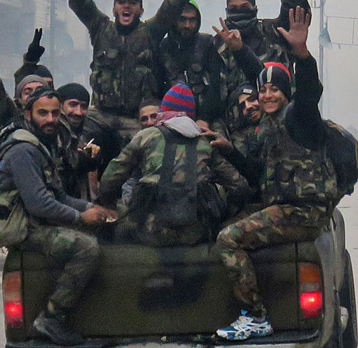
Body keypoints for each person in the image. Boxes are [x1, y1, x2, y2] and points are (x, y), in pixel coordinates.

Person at [209, 0, 337, 341]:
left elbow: (308, 91)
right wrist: (228, 150)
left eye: (274, 92)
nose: (265, 96)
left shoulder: (299, 118)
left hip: (302, 210)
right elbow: (255, 171)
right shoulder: (267, 125)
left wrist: (301, 52)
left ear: (287, 94)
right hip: (281, 204)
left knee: (228, 240)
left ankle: (255, 315)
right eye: (262, 92)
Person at [39, 0, 212, 157]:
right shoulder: (101, 28)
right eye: (122, 2)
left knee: (154, 151)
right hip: (101, 115)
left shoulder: (150, 32)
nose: (127, 6)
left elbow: (173, 4)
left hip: (137, 117)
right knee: (68, 138)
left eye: (132, 3)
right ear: (114, 8)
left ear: (140, 10)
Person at [0, 90, 116, 345]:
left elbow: (58, 195)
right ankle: (52, 315)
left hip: (38, 221)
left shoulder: (42, 145)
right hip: (25, 228)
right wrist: (81, 218)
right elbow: (40, 204)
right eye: (43, 113)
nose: (50, 119)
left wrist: (93, 209)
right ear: (28, 114)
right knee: (86, 248)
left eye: (55, 114)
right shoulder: (23, 149)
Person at [96, 83, 248, 247]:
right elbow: (239, 186)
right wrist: (225, 216)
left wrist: (111, 206)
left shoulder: (146, 136)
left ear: (164, 112)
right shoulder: (205, 141)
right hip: (197, 232)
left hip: (149, 230)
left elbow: (109, 180)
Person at [216, 0, 312, 102]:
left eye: (245, 7)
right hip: (236, 116)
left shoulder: (272, 32)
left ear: (254, 9)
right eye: (234, 8)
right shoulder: (218, 43)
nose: (239, 11)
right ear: (227, 11)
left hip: (277, 111)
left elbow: (294, 18)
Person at [158, 1, 224, 124]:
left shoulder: (207, 44)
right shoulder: (163, 47)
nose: (187, 25)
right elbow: (157, 86)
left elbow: (216, 84)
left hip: (206, 117)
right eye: (182, 19)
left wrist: (204, 118)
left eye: (192, 20)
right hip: (170, 117)